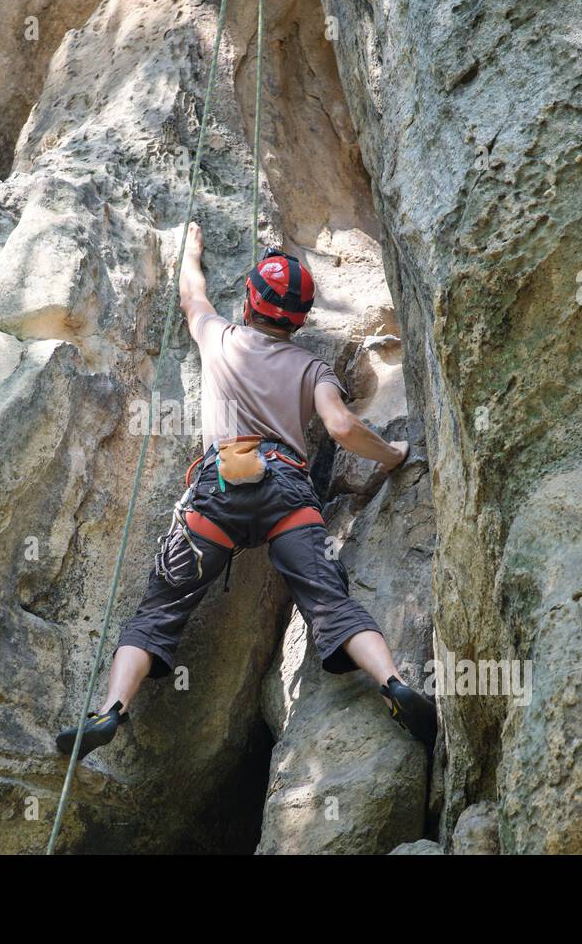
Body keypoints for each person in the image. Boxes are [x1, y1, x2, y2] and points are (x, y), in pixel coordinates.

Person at [57, 222, 436, 760]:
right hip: (286, 496)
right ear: (299, 320)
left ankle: (111, 709)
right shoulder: (312, 367)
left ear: (249, 302)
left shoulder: (219, 337)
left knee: (158, 611)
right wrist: (395, 455)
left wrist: (189, 251)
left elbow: (193, 296)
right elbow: (343, 429)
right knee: (331, 603)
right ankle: (393, 684)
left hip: (216, 493)